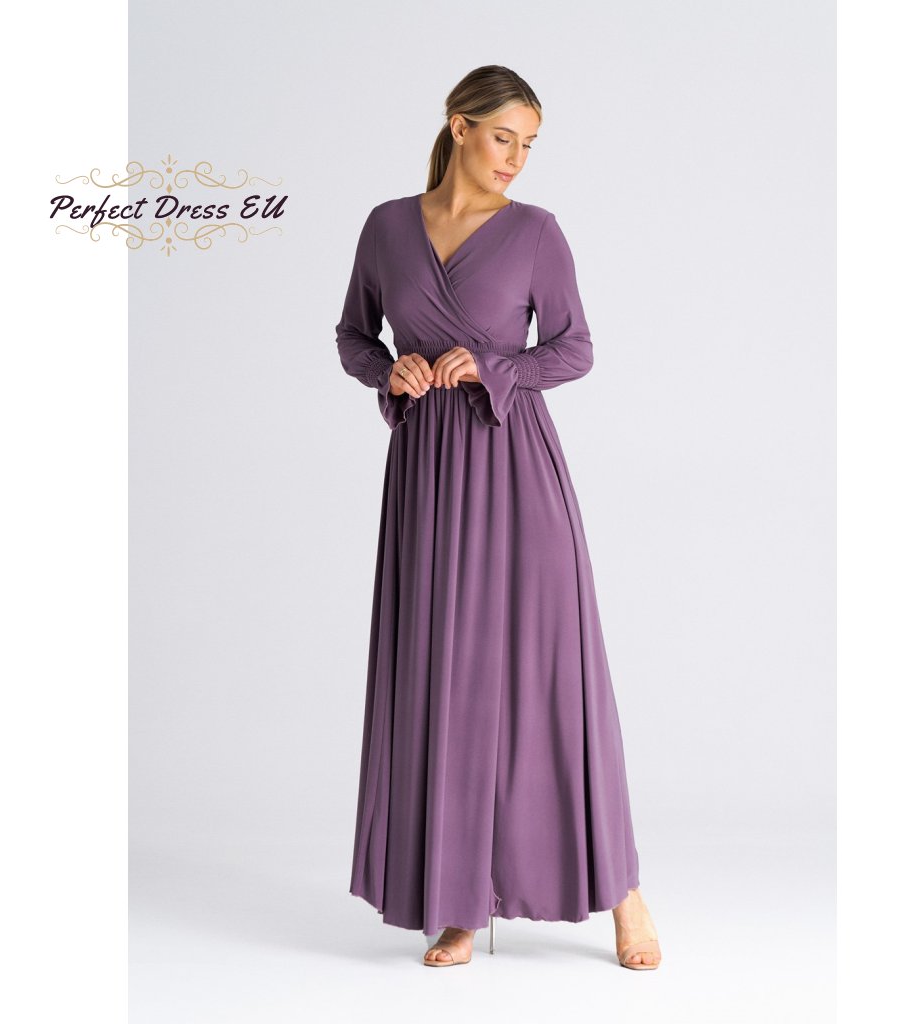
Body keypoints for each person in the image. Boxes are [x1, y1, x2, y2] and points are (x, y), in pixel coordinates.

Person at [335, 65, 662, 971]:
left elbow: (575, 348)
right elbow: (354, 335)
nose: (515, 158)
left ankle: (625, 894)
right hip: (426, 477)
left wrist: (495, 366)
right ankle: (458, 905)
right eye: (502, 137)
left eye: (529, 144)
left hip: (516, 471)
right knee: (445, 680)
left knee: (555, 683)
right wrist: (390, 371)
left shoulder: (536, 233)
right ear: (459, 127)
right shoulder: (387, 227)